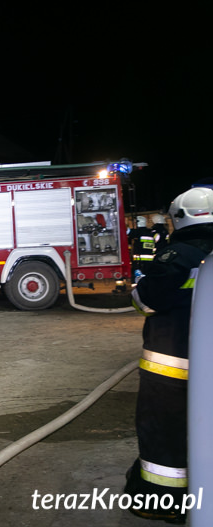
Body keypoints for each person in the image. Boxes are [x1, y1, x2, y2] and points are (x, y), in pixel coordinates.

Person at [123, 187, 213, 523]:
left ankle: (164, 502)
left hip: (171, 371)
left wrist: (138, 287)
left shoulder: (176, 257)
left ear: (177, 219)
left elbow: (144, 301)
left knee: (164, 439)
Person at [127, 215, 155, 283]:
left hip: (139, 260)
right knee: (148, 276)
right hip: (150, 260)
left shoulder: (138, 232)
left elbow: (126, 232)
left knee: (138, 277)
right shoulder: (150, 233)